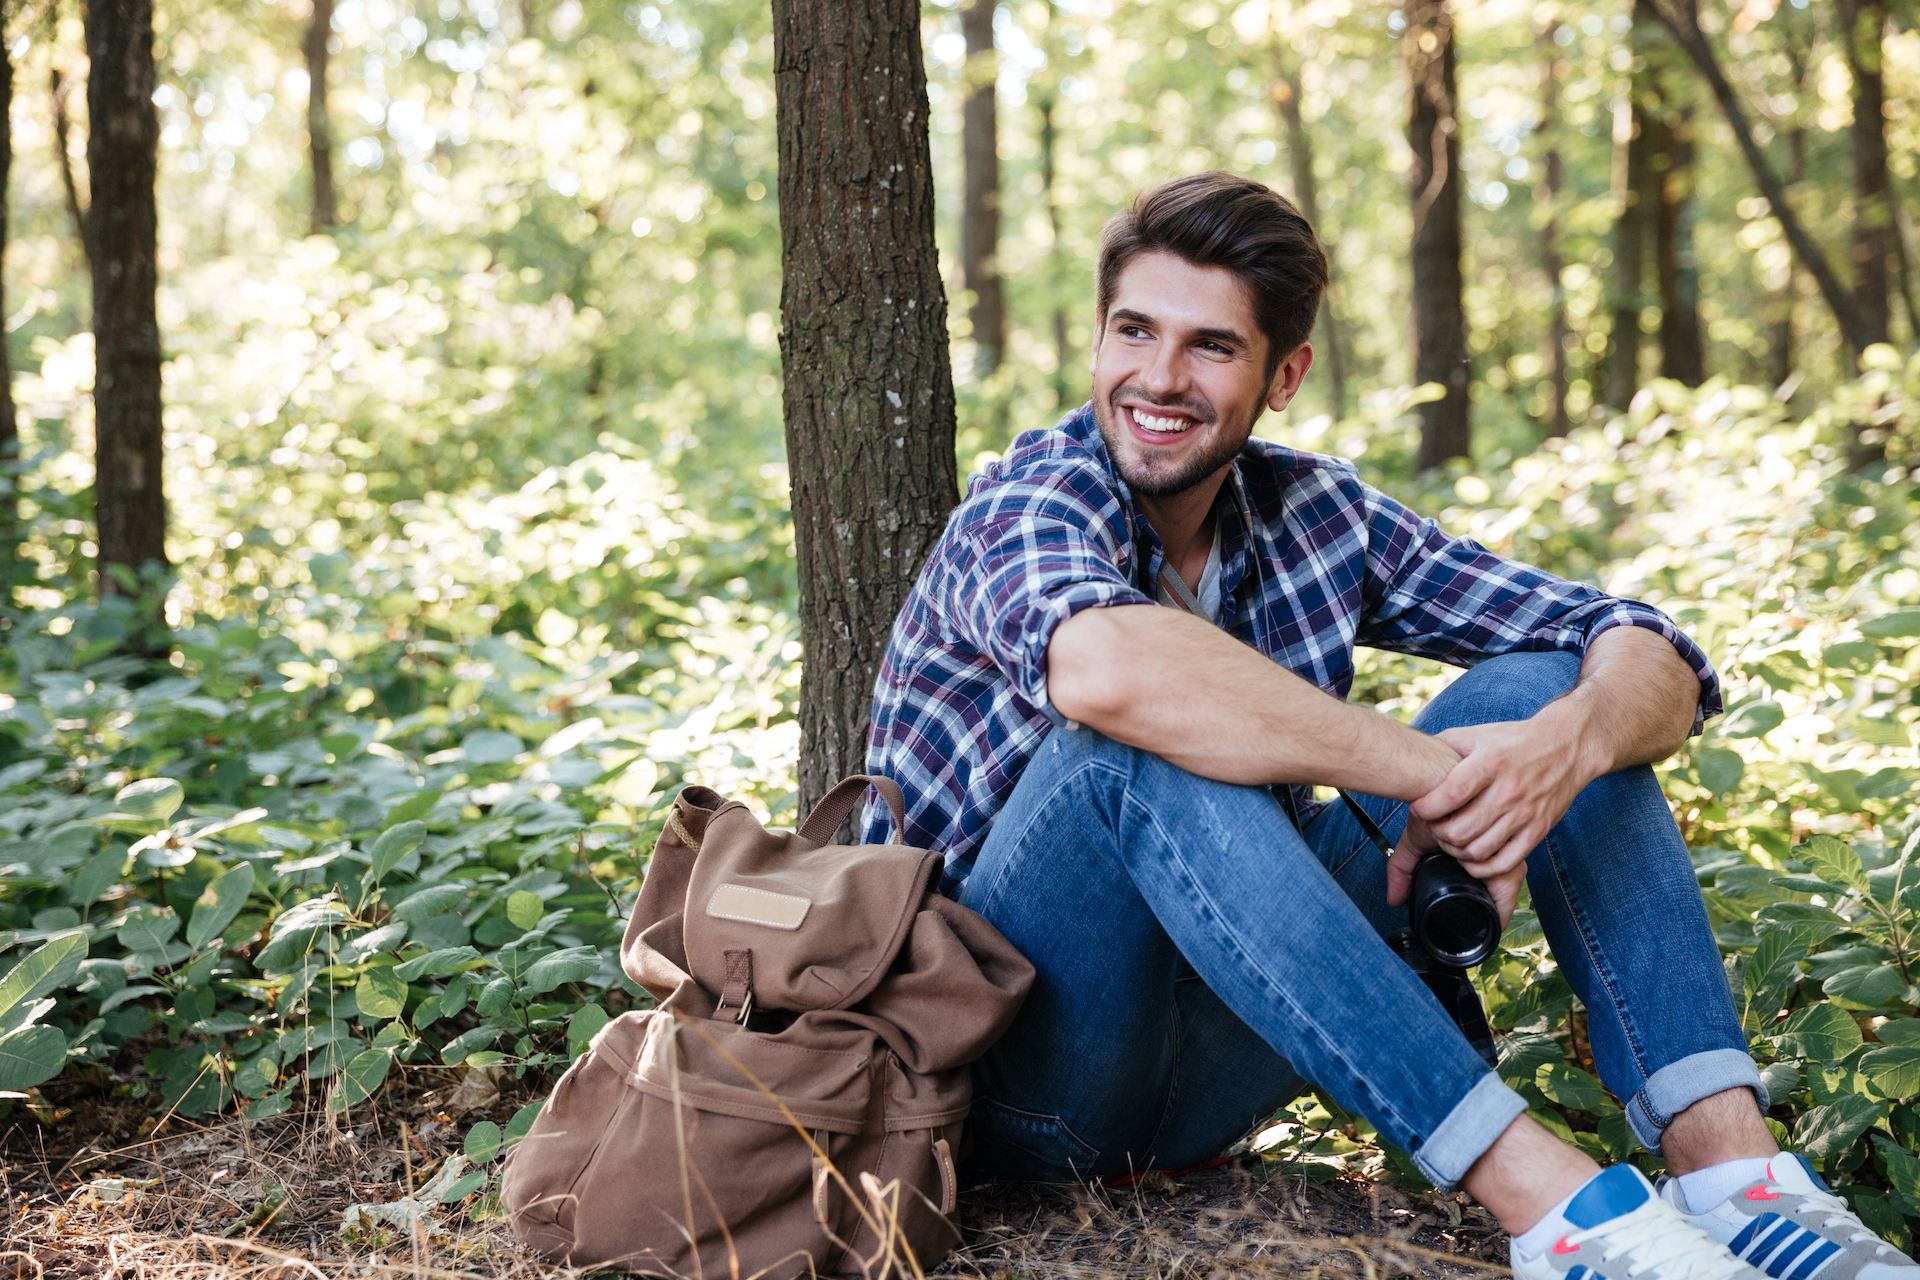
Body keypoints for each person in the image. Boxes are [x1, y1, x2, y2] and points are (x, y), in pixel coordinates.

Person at [862, 171, 1919, 1280]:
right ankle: (1562, 1214)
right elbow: (1109, 668)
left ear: (1284, 375)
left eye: (1212, 347)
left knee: (1546, 688)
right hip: (1023, 1070)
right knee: (1124, 750)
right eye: (1134, 330)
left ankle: (1739, 1184)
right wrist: (1431, 772)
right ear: (1098, 339)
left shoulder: (1318, 513)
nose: (1158, 378)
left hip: (1231, 1031)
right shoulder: (1028, 501)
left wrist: (1560, 747)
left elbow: (1646, 646)